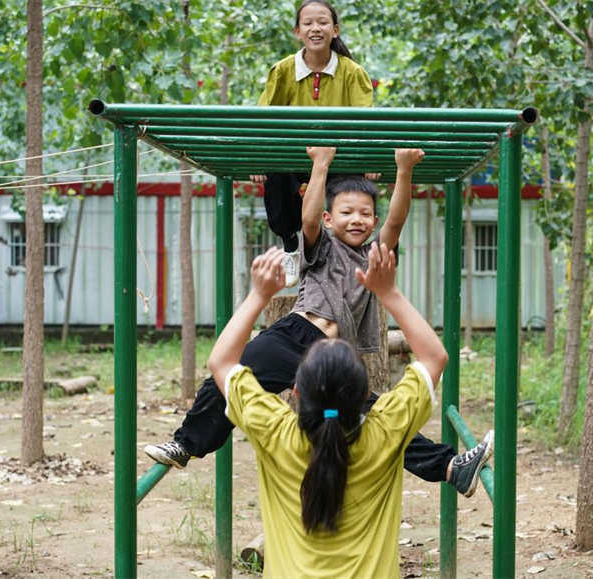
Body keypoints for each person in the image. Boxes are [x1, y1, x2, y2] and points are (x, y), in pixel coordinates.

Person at [145, 147, 490, 496]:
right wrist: (320, 164)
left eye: (366, 214)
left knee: (377, 420)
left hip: (333, 355)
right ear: (329, 218)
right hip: (292, 336)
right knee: (226, 378)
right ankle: (185, 444)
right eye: (347, 212)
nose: (357, 219)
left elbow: (396, 221)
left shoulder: (374, 256)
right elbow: (307, 220)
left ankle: (450, 467)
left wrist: (403, 172)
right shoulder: (321, 246)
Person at [208, 242, 493, 577]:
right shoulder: (386, 428)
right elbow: (435, 357)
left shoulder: (272, 429)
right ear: (363, 396)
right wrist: (389, 292)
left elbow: (220, 361)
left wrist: (259, 295)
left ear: (296, 391)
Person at [253, 0, 376, 287]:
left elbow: (365, 122)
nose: (315, 28)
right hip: (295, 158)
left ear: (334, 30)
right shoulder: (283, 71)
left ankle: (346, 254)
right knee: (277, 176)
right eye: (308, 23)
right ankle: (290, 244)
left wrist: (369, 160)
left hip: (338, 159)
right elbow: (262, 118)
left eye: (322, 22)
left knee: (352, 192)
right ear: (298, 32)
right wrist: (259, 159)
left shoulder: (352, 72)